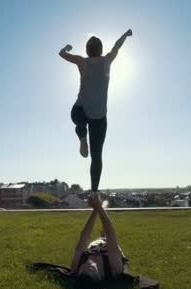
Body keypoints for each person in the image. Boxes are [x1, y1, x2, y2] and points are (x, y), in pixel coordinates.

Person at [59, 29, 133, 198]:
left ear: (87, 50)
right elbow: (117, 46)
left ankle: (81, 135)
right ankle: (94, 191)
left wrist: (67, 47)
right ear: (100, 49)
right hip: (99, 117)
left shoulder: (82, 62)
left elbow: (61, 54)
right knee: (97, 155)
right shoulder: (107, 60)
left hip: (81, 110)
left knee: (75, 116)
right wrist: (125, 34)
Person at [70, 195, 127, 288]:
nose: (87, 265)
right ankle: (105, 204)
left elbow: (84, 236)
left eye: (83, 268)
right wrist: (99, 207)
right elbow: (111, 233)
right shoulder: (114, 268)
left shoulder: (77, 265)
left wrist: (95, 209)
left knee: (103, 234)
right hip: (109, 249)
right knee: (106, 234)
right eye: (91, 269)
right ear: (99, 277)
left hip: (95, 245)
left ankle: (105, 204)